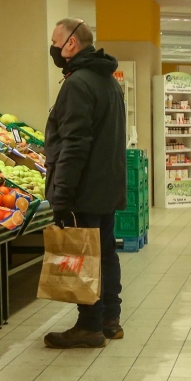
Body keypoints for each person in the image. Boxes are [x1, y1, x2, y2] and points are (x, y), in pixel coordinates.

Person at [43, 18, 127, 349]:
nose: (52, 47)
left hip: (84, 189)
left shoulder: (78, 84)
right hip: (106, 186)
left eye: (55, 41)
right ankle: (109, 319)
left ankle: (89, 325)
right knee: (105, 253)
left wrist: (62, 194)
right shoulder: (108, 82)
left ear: (72, 45)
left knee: (84, 256)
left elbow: (74, 144)